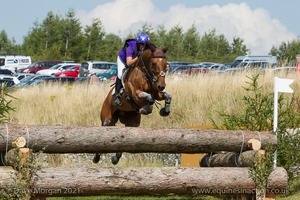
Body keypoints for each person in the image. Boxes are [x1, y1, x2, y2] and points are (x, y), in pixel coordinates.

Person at [113, 32, 151, 106]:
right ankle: (117, 95)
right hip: (123, 60)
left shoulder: (148, 48)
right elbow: (129, 63)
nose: (144, 47)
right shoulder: (130, 47)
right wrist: (138, 57)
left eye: (145, 45)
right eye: (142, 44)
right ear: (138, 44)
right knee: (121, 74)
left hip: (134, 59)